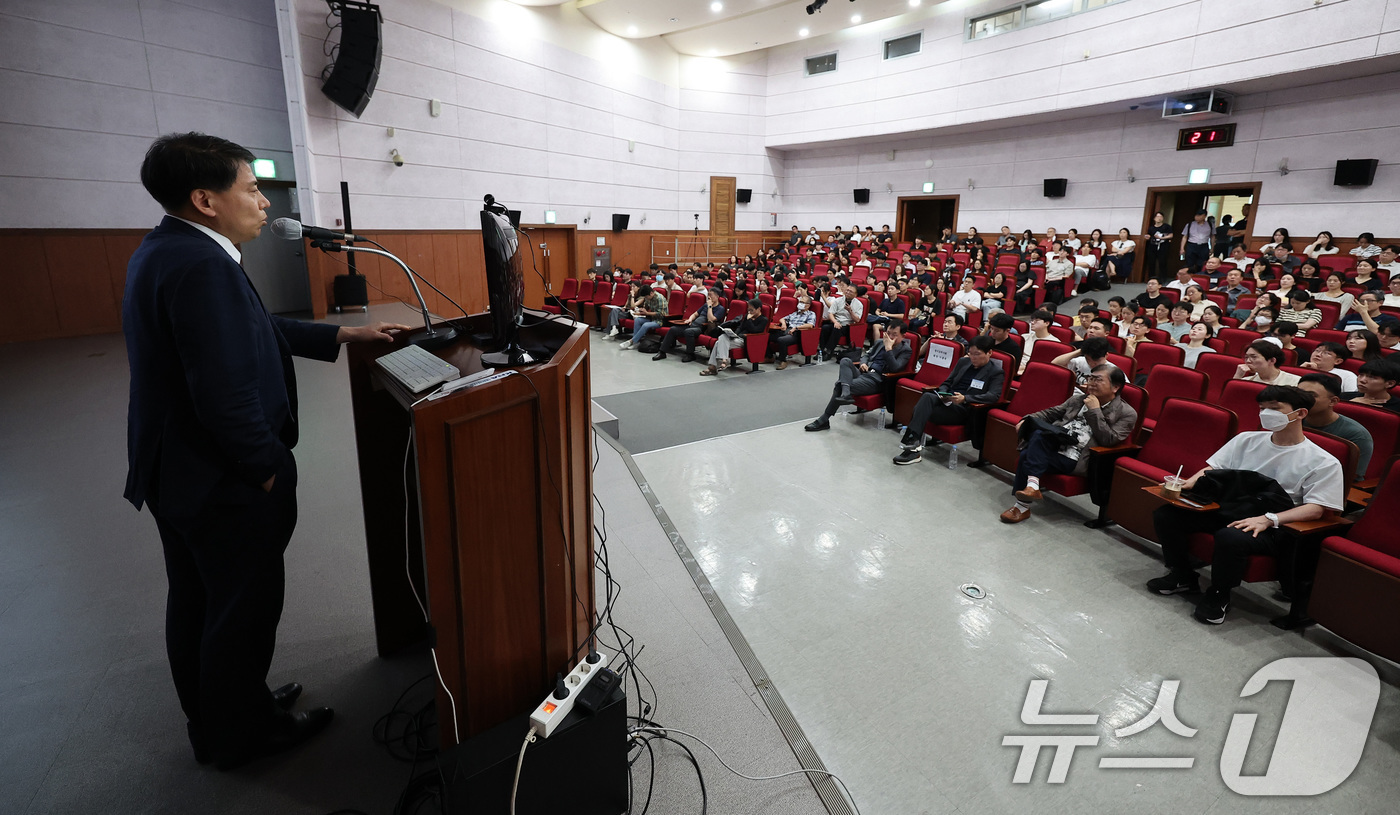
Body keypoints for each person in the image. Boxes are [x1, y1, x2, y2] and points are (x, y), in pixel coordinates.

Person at [123, 133, 410, 769]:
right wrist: (265, 471)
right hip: (221, 481)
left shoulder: (167, 249)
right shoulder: (202, 265)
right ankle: (240, 734)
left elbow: (252, 327)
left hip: (175, 471)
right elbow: (223, 397)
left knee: (198, 600)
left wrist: (345, 334)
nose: (261, 202)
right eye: (250, 188)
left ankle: (223, 708)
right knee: (241, 609)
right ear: (205, 199)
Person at [1146, 385, 1345, 625]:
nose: (1266, 413)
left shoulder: (1323, 461)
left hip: (1276, 523)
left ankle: (1219, 594)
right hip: (1231, 506)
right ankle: (1182, 575)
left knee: (1231, 536)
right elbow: (1214, 468)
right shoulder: (1247, 439)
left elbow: (1316, 508)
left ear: (1300, 413)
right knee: (1168, 515)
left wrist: (1269, 519)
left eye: (1275, 408)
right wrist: (1190, 481)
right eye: (1262, 408)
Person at [999, 364, 1137, 523]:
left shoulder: (1127, 413)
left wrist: (1094, 411)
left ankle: (1023, 504)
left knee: (1026, 454)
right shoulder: (1078, 399)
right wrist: (1026, 419)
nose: (1091, 383)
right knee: (1038, 434)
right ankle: (1031, 489)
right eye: (1090, 378)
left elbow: (1109, 440)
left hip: (1078, 457)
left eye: (1097, 380)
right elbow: (1050, 413)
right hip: (1056, 443)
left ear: (1115, 387)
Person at [893, 336, 1005, 464]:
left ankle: (912, 445)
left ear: (989, 353)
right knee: (927, 398)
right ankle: (912, 446)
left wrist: (965, 398)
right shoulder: (964, 362)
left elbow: (993, 396)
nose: (973, 358)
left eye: (977, 354)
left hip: (964, 409)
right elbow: (947, 382)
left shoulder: (996, 372)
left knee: (921, 407)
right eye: (971, 354)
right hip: (946, 401)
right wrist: (943, 392)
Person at [804, 320, 912, 431]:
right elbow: (867, 355)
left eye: (894, 335)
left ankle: (824, 419)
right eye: (888, 333)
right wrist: (863, 363)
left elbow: (895, 368)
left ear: (903, 336)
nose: (889, 337)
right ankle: (846, 393)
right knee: (845, 360)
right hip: (865, 372)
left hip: (877, 380)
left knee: (839, 385)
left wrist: (889, 349)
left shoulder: (905, 350)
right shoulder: (880, 342)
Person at [1298, 376, 1372, 482]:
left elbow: (1352, 475)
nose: (1301, 399)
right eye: (1298, 393)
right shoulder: (1291, 420)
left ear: (1333, 401)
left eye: (1310, 395)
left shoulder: (1357, 434)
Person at [655, 288, 726, 362]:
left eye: (711, 295)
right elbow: (695, 314)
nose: (709, 297)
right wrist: (690, 319)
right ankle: (662, 352)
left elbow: (710, 319)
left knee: (689, 332)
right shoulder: (705, 305)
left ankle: (690, 354)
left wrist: (710, 307)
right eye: (708, 295)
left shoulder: (720, 308)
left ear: (717, 296)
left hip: (703, 328)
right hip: (692, 324)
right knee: (673, 329)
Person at [701, 298, 767, 376]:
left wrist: (749, 320)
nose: (749, 312)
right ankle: (723, 361)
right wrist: (735, 334)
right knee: (720, 339)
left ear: (758, 309)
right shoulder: (747, 316)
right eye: (748, 310)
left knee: (719, 342)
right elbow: (740, 327)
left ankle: (714, 366)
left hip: (747, 341)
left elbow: (755, 331)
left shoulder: (763, 320)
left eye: (751, 310)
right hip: (738, 338)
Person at [770, 292, 817, 369]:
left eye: (802, 302)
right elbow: (782, 319)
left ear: (808, 305)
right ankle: (769, 357)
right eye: (800, 302)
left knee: (782, 340)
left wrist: (796, 328)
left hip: (798, 333)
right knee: (768, 336)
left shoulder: (811, 314)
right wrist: (784, 324)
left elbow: (810, 325)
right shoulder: (795, 313)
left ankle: (783, 361)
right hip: (787, 330)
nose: (800, 304)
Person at [619, 283, 669, 350]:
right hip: (651, 318)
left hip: (660, 321)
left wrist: (647, 313)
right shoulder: (648, 297)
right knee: (637, 320)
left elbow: (662, 314)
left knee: (645, 325)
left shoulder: (660, 298)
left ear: (651, 293)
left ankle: (632, 341)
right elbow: (646, 308)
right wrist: (642, 310)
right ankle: (636, 342)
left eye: (646, 297)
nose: (645, 298)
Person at [1052, 336, 1117, 387]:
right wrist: (1080, 351)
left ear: (1106, 355)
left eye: (1096, 360)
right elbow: (1055, 364)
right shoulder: (1080, 361)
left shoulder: (1114, 371)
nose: (1092, 363)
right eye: (1088, 360)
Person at [1234, 340, 1300, 386]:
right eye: (1246, 357)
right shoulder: (1246, 381)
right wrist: (1237, 377)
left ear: (1272, 360)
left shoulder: (1295, 382)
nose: (1248, 361)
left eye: (1253, 357)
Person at [1018, 310, 1056, 374]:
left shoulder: (1054, 343)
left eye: (1036, 321)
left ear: (1047, 323)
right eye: (1032, 320)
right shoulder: (1024, 337)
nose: (1032, 323)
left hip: (1032, 371)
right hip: (1017, 366)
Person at [1180, 209, 1212, 273]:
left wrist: (1212, 248)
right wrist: (1182, 248)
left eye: (1199, 216)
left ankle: (1200, 276)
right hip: (1192, 245)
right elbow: (1185, 237)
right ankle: (1190, 276)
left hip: (1204, 245)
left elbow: (1213, 237)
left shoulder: (1210, 225)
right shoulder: (1189, 225)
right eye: (1196, 215)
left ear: (1204, 216)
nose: (1196, 217)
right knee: (1189, 263)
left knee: (1202, 264)